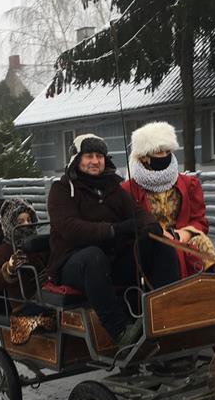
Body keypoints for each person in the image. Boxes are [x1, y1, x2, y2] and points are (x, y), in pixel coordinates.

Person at [47, 133, 179, 348]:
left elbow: (138, 212)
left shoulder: (113, 188)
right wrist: (113, 230)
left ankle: (166, 314)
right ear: (76, 159)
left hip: (112, 261)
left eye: (99, 156)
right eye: (89, 156)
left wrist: (149, 225)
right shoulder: (61, 190)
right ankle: (120, 331)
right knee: (93, 256)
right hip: (73, 264)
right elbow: (70, 228)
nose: (95, 161)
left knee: (160, 245)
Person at [122, 121, 215, 276]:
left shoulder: (189, 184)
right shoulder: (129, 189)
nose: (164, 156)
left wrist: (185, 233)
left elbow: (199, 220)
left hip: (184, 239)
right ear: (144, 157)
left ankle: (209, 285)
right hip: (152, 245)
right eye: (158, 152)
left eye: (167, 151)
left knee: (203, 243)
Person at [0, 198, 53, 343]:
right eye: (21, 221)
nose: (27, 224)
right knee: (56, 316)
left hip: (45, 296)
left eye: (29, 220)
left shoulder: (38, 243)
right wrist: (8, 269)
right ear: (11, 224)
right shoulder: (5, 249)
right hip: (23, 304)